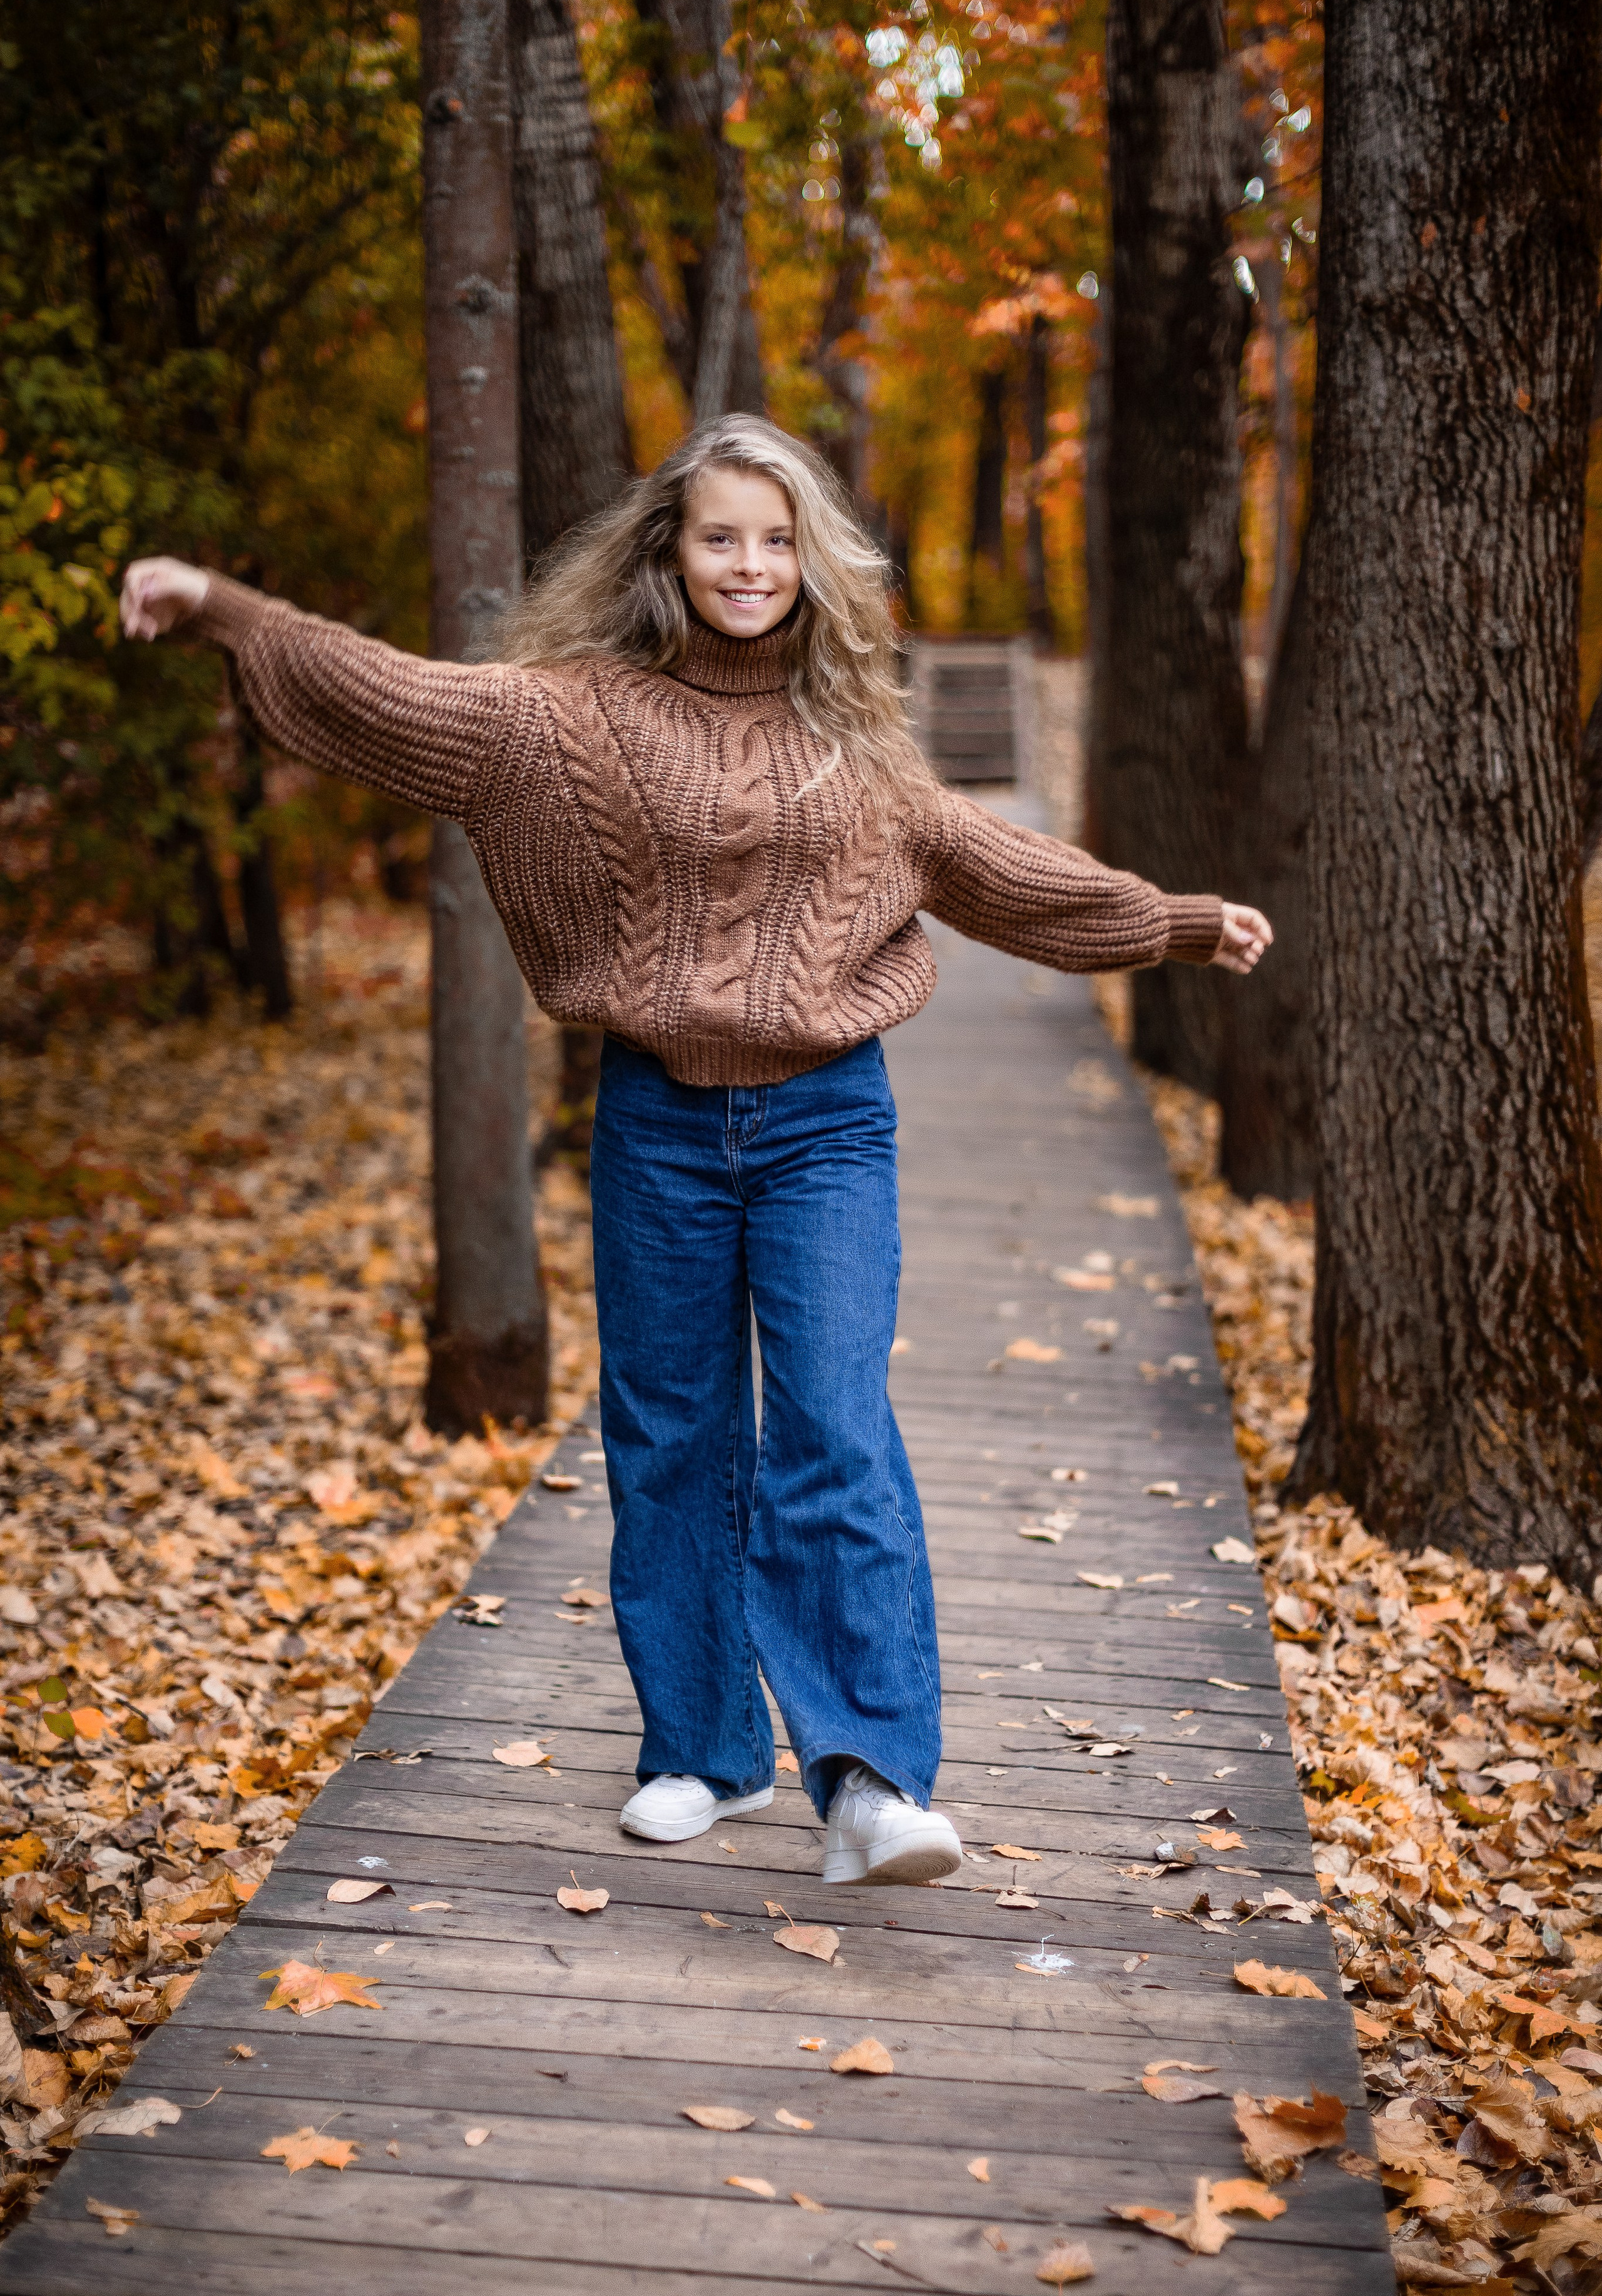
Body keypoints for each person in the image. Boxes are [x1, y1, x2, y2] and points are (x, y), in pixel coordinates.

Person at [121, 414, 1270, 1887]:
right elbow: (388, 697)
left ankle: (866, 1780)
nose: (749, 564)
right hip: (656, 1120)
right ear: (668, 549)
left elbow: (996, 871)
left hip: (825, 1122)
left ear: (812, 562)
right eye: (720, 534)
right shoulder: (566, 716)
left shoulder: (852, 743)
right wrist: (226, 610)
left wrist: (1167, 917)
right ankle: (702, 1750)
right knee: (668, 1435)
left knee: (833, 1424)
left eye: (777, 539)